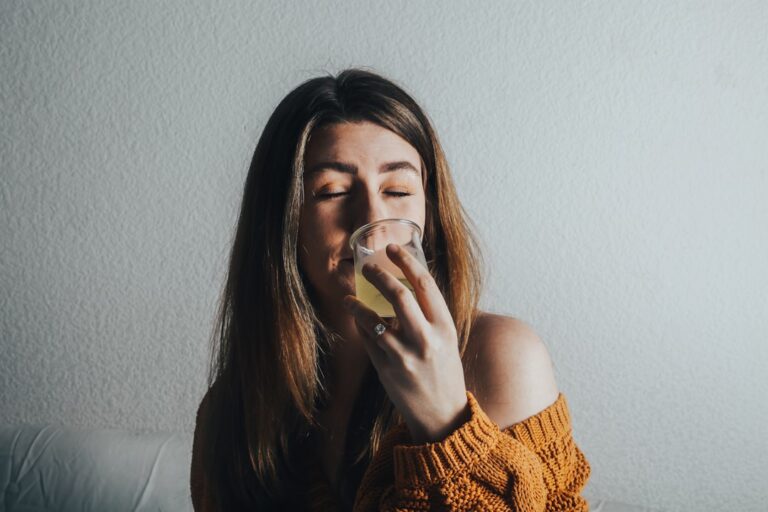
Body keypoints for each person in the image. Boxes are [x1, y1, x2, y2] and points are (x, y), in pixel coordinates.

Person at [190, 68, 591, 511]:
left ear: (429, 212)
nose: (371, 219)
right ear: (282, 221)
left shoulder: (501, 357)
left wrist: (446, 423)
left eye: (398, 190)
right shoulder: (229, 413)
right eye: (332, 192)